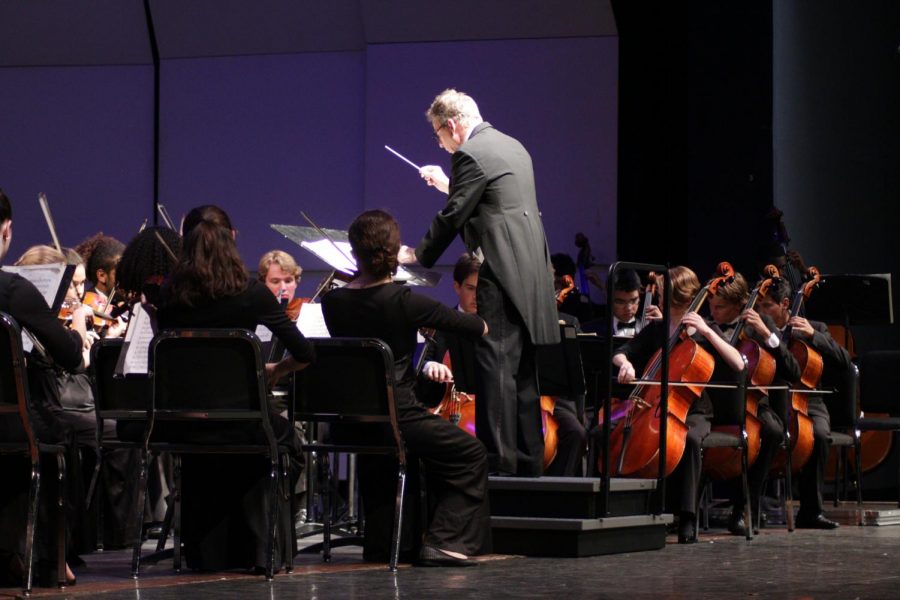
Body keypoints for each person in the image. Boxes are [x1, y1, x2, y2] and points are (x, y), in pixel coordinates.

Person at [398, 88, 559, 477]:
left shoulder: (469, 154)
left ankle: (497, 469)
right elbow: (492, 202)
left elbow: (455, 215)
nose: (442, 145)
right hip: (531, 274)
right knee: (522, 374)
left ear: (452, 125)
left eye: (439, 136)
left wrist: (417, 255)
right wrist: (447, 183)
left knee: (495, 368)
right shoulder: (513, 146)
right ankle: (527, 465)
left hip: (500, 274)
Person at [150, 204, 314, 573]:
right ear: (233, 239)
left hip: (185, 424)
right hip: (245, 422)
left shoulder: (168, 296)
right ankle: (263, 547)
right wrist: (276, 369)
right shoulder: (251, 294)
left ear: (185, 243)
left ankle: (205, 551)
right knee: (287, 437)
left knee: (216, 448)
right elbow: (305, 352)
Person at [323, 210, 491, 567]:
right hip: (400, 416)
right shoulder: (404, 300)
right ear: (394, 251)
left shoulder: (333, 302)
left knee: (395, 453)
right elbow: (474, 327)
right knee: (471, 453)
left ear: (354, 252)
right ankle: (445, 539)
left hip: (354, 420)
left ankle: (385, 546)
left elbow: (363, 297)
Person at [612, 266, 746, 543]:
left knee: (691, 440)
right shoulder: (657, 330)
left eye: (662, 294)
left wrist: (708, 332)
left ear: (677, 297)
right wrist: (624, 364)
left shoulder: (701, 329)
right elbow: (624, 352)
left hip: (695, 409)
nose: (657, 298)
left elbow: (738, 363)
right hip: (658, 406)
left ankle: (687, 516)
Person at [0, 190, 89, 586]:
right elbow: (70, 356)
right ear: (6, 231)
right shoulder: (13, 291)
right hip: (8, 422)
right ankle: (48, 555)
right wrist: (73, 329)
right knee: (55, 427)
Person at [705, 269, 801, 536]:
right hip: (715, 405)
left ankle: (746, 507)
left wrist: (766, 333)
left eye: (720, 307)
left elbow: (793, 371)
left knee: (770, 432)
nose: (714, 313)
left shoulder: (762, 326)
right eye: (711, 306)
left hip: (754, 404)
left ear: (739, 304)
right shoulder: (708, 327)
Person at [756, 276, 846, 529]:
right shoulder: (758, 329)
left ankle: (811, 511)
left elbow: (844, 361)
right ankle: (752, 505)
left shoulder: (815, 327)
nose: (761, 312)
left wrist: (814, 335)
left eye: (767, 306)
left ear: (786, 303)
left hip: (808, 400)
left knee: (818, 435)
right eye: (759, 306)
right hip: (769, 396)